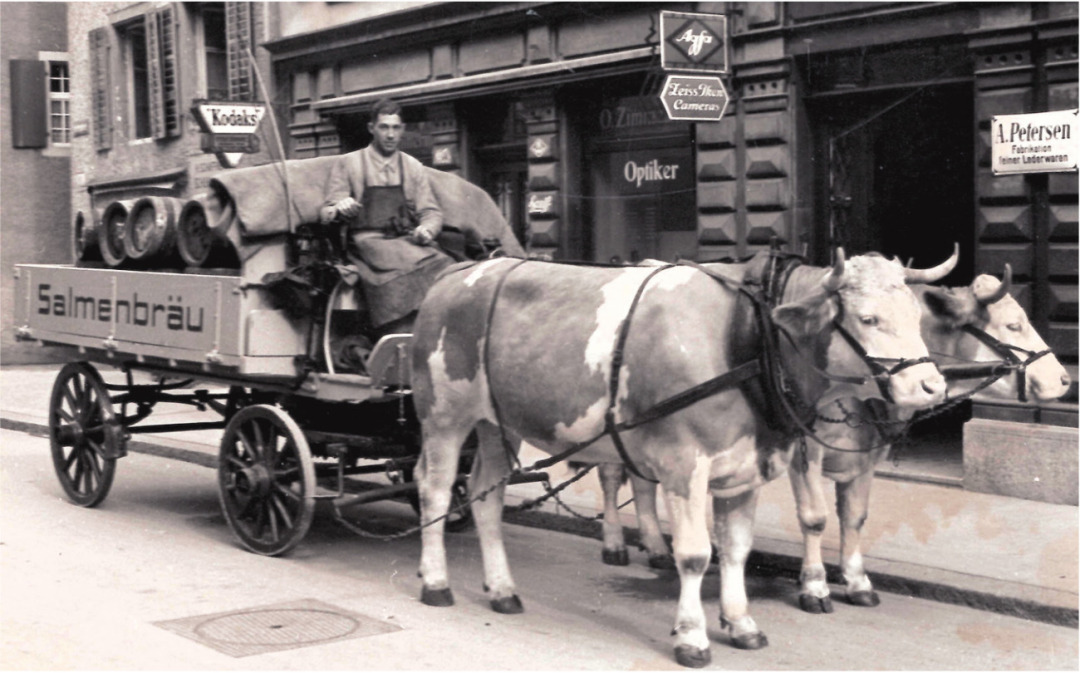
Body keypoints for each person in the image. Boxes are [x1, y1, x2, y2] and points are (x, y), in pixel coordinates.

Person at [320, 98, 454, 334]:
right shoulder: (349, 164)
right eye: (384, 127)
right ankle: (398, 331)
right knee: (401, 273)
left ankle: (430, 328)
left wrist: (427, 229)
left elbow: (430, 211)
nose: (390, 135)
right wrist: (340, 207)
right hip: (366, 243)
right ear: (372, 128)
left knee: (446, 264)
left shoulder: (412, 166)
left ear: (402, 129)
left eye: (395, 128)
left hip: (404, 240)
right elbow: (326, 212)